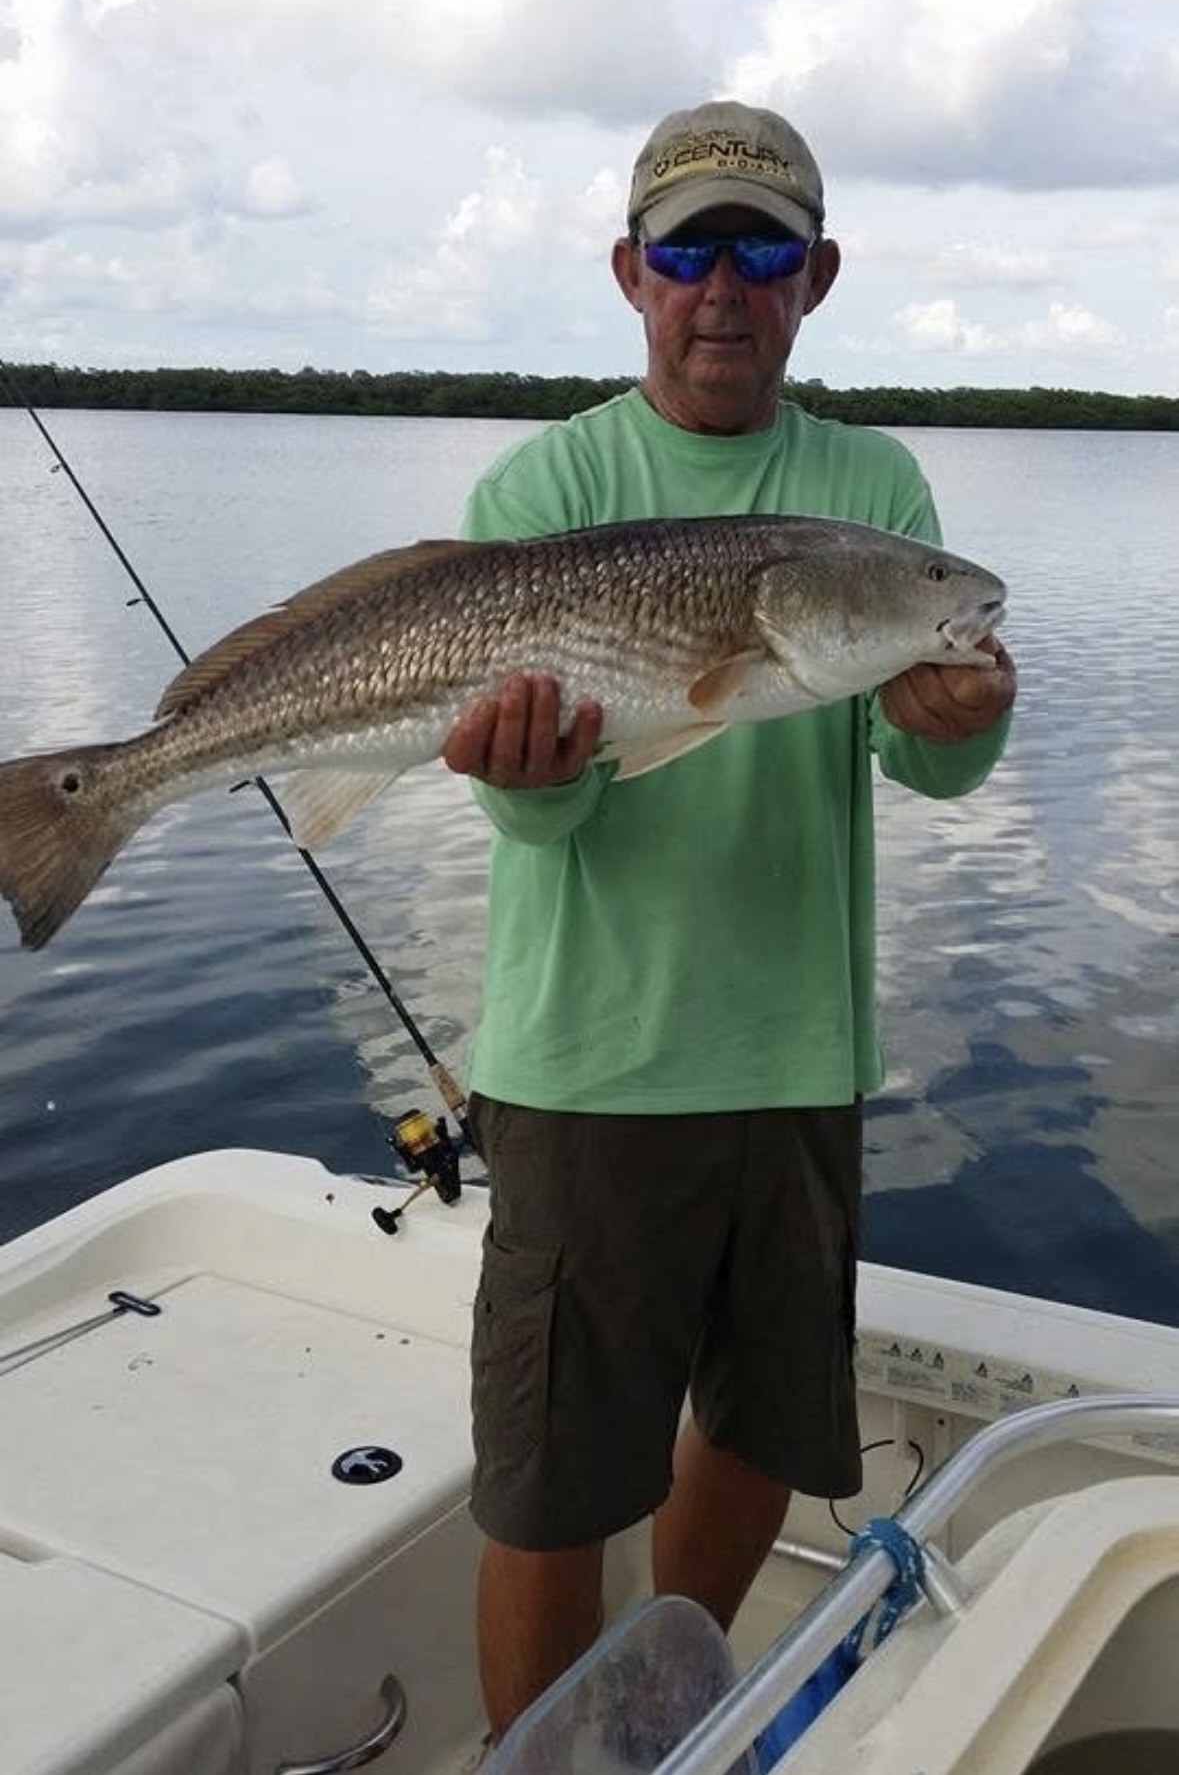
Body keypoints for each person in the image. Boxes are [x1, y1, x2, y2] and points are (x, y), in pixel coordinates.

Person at [443, 99, 1017, 1742]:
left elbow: (922, 750)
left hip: (795, 1060)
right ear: (631, 273)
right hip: (591, 1064)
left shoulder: (868, 488)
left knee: (764, 1435)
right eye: (690, 248)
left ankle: (657, 1727)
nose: (723, 284)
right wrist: (534, 774)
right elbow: (534, 811)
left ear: (815, 278)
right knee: (554, 1493)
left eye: (762, 249)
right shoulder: (545, 482)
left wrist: (960, 720)